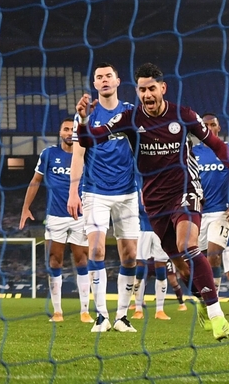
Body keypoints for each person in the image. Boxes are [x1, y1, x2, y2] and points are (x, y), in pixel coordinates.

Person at [75, 62, 229, 341]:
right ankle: (203, 301)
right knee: (180, 266)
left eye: (152, 89)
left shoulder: (183, 115)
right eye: (142, 90)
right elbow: (88, 140)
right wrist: (83, 119)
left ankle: (216, 315)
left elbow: (217, 144)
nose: (147, 95)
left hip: (185, 190)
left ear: (162, 88)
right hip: (154, 203)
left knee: (187, 245)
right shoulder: (130, 119)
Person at [67, 63, 140, 334]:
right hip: (95, 192)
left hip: (127, 193)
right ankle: (101, 316)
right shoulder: (86, 115)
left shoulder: (131, 113)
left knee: (130, 256)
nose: (104, 80)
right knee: (96, 250)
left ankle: (122, 316)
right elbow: (78, 155)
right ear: (95, 84)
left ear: (118, 80)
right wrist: (73, 192)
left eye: (109, 75)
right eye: (99, 77)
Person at [20, 118, 91, 323]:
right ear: (60, 133)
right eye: (66, 129)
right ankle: (58, 311)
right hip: (55, 217)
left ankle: (84, 310)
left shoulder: (86, 154)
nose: (70, 132)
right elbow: (35, 181)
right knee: (54, 261)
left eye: (73, 129)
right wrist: (26, 207)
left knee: (82, 261)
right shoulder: (49, 154)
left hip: (80, 216)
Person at [192, 113, 229, 290]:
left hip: (221, 212)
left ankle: (213, 303)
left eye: (213, 124)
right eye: (205, 125)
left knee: (213, 255)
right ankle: (205, 298)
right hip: (200, 213)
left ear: (218, 128)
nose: (209, 128)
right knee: (199, 259)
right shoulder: (192, 152)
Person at [131, 201, 176, 321]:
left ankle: (160, 310)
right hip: (143, 231)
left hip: (161, 231)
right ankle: (138, 309)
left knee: (161, 269)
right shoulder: (138, 184)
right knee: (140, 269)